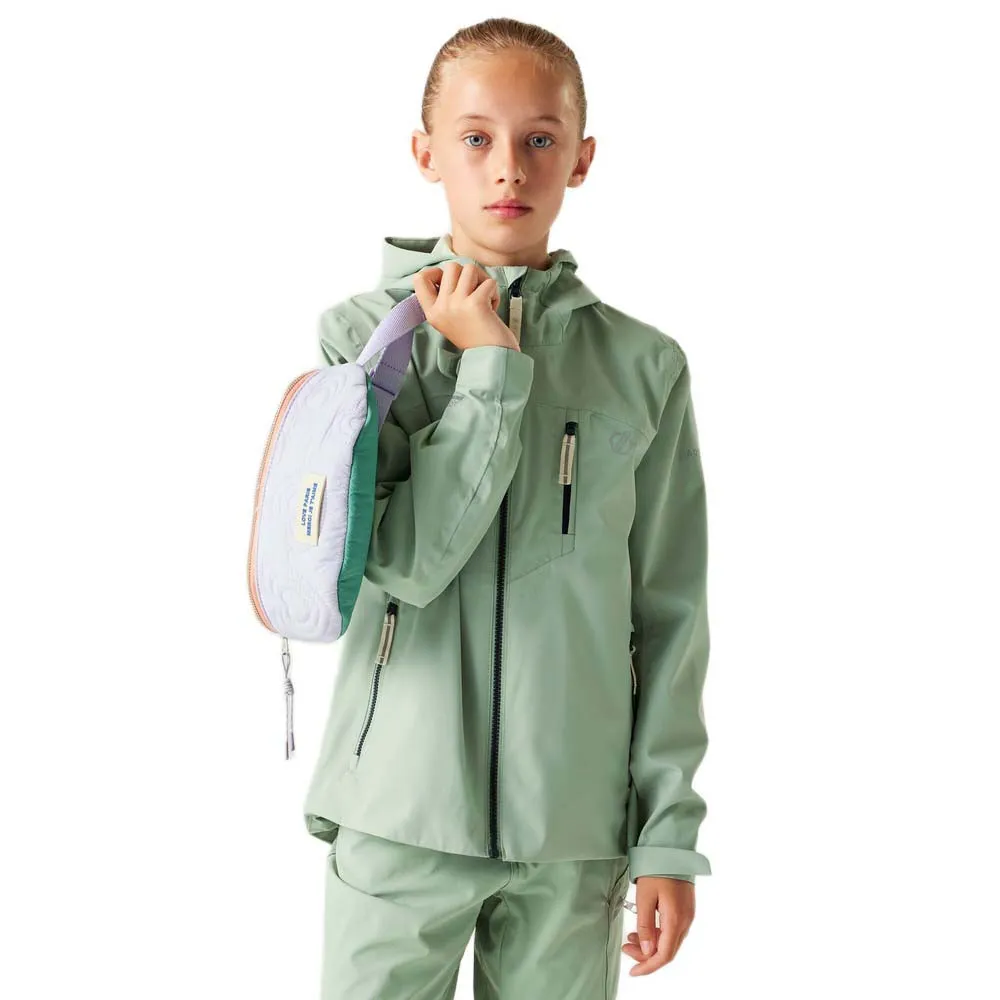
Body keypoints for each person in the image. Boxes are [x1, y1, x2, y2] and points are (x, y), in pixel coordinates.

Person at [303, 17, 713, 1000]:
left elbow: (669, 615)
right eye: (476, 137)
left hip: (572, 832)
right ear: (425, 153)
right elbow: (402, 559)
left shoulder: (643, 366)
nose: (508, 168)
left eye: (539, 138)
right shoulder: (362, 344)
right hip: (396, 814)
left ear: (582, 157)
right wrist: (489, 367)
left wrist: (667, 833)